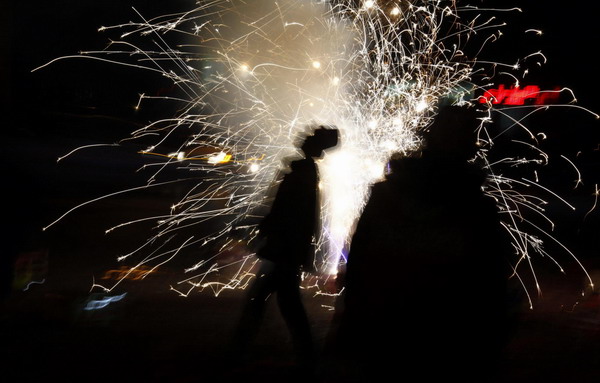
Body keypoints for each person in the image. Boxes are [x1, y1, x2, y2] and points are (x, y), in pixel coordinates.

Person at [325, 106, 512, 382]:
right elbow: (490, 285)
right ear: (469, 149)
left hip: (386, 338)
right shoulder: (477, 210)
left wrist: (351, 333)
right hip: (446, 346)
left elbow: (360, 269)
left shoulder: (386, 196)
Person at [231, 126, 339, 373]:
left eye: (311, 138)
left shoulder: (302, 172)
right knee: (286, 304)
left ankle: (240, 352)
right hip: (288, 249)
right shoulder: (304, 170)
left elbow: (291, 212)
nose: (304, 138)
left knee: (265, 300)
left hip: (285, 249)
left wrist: (270, 231)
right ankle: (306, 355)